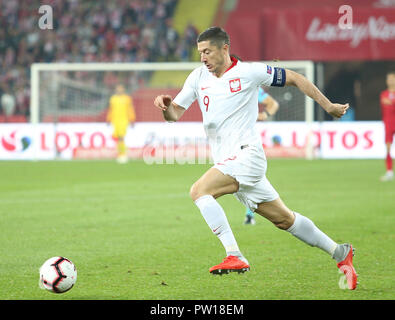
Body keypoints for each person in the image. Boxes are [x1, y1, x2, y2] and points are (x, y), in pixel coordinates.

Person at [154, 27, 357, 290]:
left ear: (224, 48)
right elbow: (174, 115)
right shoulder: (197, 77)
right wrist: (165, 106)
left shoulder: (249, 72)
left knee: (199, 191)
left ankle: (234, 255)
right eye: (200, 52)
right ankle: (340, 252)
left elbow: (294, 77)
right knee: (285, 220)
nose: (203, 57)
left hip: (246, 155)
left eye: (207, 51)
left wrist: (328, 105)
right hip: (229, 162)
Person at [244, 87, 279, 225]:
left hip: (246, 141)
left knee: (249, 178)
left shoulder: (250, 86)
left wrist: (263, 115)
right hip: (227, 140)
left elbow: (273, 104)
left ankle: (249, 215)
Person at [107, 84, 136, 163]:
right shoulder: (113, 99)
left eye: (120, 89)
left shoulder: (127, 99)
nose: (119, 90)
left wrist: (132, 119)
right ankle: (120, 154)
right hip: (115, 121)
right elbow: (111, 110)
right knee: (118, 138)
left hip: (124, 120)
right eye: (117, 89)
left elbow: (130, 109)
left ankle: (123, 155)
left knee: (121, 137)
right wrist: (108, 119)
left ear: (123, 90)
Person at [379, 71, 395, 182]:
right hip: (388, 124)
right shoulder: (383, 94)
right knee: (388, 148)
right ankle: (389, 172)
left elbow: (390, 104)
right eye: (388, 79)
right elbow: (385, 102)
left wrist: (391, 102)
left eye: (392, 79)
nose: (390, 81)